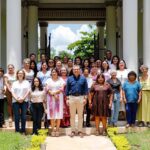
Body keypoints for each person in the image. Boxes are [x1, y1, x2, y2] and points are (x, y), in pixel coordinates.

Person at [66, 65, 88, 138]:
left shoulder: (83, 78)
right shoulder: (69, 79)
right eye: (74, 69)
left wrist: (85, 98)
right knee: (72, 116)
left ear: (79, 70)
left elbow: (86, 90)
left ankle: (80, 131)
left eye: (77, 69)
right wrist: (67, 99)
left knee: (80, 116)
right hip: (71, 97)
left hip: (80, 97)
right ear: (72, 70)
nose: (76, 70)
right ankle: (72, 131)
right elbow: (67, 89)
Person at [45, 68, 65, 137]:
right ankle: (53, 130)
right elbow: (47, 89)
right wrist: (53, 94)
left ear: (57, 73)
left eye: (55, 72)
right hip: (50, 98)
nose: (54, 73)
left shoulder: (61, 79)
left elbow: (62, 88)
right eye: (53, 72)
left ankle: (57, 130)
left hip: (59, 98)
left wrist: (55, 93)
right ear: (51, 73)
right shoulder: (48, 80)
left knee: (58, 115)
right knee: (52, 115)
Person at [11, 69, 30, 134]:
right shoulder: (14, 83)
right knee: (16, 116)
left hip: (24, 101)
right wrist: (17, 98)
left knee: (23, 116)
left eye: (21, 73)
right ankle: (17, 130)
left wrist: (23, 98)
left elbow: (28, 91)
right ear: (17, 74)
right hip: (15, 101)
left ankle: (23, 130)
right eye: (19, 73)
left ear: (23, 74)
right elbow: (12, 92)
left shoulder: (27, 82)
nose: (20, 74)